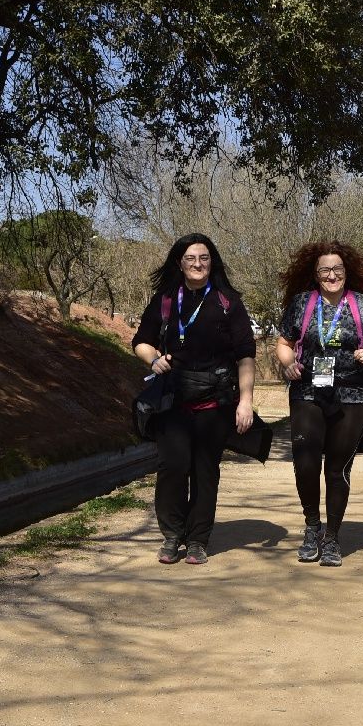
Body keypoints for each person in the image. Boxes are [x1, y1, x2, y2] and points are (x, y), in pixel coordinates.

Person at [132, 233, 257, 565]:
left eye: (204, 258)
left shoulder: (229, 302)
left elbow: (246, 356)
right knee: (173, 466)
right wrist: (153, 358)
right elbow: (141, 341)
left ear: (211, 261)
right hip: (173, 400)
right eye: (191, 259)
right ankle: (173, 535)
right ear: (180, 263)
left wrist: (245, 401)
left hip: (215, 402)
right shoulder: (165, 301)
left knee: (205, 470)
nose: (198, 264)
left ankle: (199, 539)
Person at [275, 242, 363, 566]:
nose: (331, 275)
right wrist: (287, 364)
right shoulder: (301, 304)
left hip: (353, 392)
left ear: (346, 272)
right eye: (325, 270)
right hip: (309, 389)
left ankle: (333, 539)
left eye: (337, 269)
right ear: (315, 274)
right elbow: (284, 343)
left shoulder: (362, 305)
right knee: (306, 458)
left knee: (337, 467)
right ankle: (313, 526)